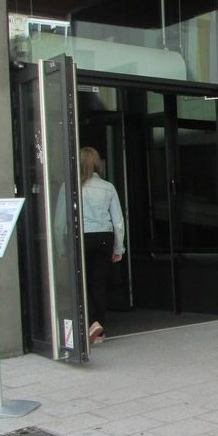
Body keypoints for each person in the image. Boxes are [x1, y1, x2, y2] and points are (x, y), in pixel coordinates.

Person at [79, 147, 124, 345]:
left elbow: (60, 221)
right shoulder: (108, 187)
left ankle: (90, 323)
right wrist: (118, 248)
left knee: (81, 283)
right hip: (104, 237)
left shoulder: (72, 186)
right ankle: (99, 330)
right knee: (98, 283)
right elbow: (118, 221)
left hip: (81, 236)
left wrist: (60, 248)